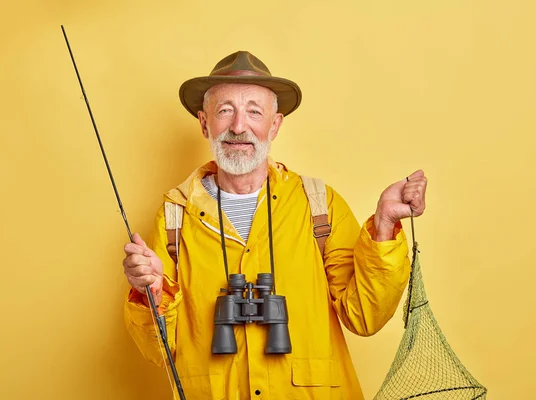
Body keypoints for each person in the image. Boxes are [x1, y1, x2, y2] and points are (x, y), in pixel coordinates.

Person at [122, 51, 427, 399]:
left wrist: (385, 226)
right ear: (204, 123)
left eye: (254, 111)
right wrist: (151, 292)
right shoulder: (175, 215)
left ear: (275, 124)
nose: (239, 126)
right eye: (225, 111)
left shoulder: (318, 205)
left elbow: (364, 317)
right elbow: (158, 349)